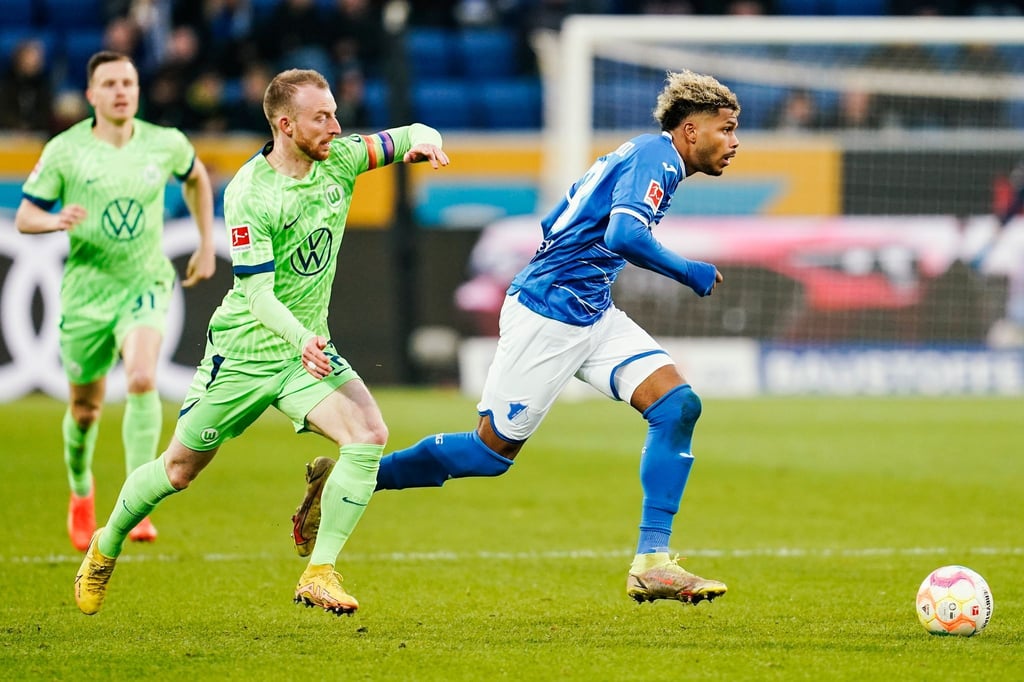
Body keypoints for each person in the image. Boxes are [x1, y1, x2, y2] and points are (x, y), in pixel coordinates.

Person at [293, 69, 739, 606]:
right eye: (727, 129)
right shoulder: (660, 158)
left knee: (677, 406)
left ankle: (652, 562)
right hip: (549, 316)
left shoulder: (645, 155)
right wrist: (687, 270)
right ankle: (349, 477)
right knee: (488, 455)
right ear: (691, 130)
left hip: (591, 311)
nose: (734, 143)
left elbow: (560, 217)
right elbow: (624, 233)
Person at [73, 67, 450, 617]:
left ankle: (319, 571)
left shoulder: (341, 160)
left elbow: (410, 133)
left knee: (369, 434)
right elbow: (257, 296)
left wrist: (429, 144)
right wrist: (300, 338)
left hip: (307, 354)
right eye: (322, 118)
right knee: (179, 469)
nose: (335, 125)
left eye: (335, 114)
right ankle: (105, 545)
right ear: (284, 124)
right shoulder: (251, 192)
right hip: (246, 353)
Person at [15, 51, 217, 552]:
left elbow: (196, 178)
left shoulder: (165, 142)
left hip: (145, 283)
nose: (122, 90)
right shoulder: (65, 151)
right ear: (91, 95)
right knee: (85, 410)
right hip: (87, 295)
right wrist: (54, 221)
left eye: (128, 81)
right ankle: (81, 492)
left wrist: (206, 243)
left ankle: (136, 498)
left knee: (144, 377)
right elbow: (24, 216)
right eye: (110, 83)